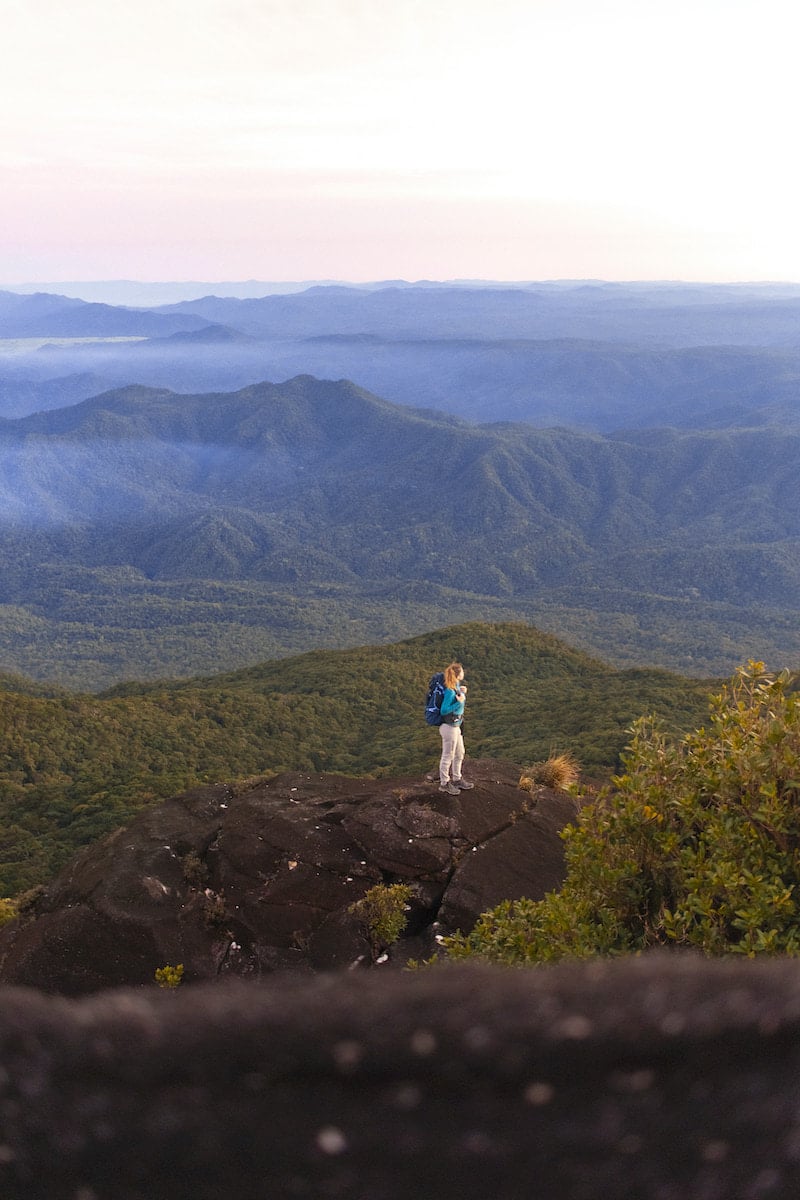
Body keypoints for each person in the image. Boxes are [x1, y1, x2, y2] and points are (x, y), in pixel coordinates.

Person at [438, 662, 475, 795]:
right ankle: (444, 783)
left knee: (460, 753)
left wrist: (462, 692)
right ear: (458, 674)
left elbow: (458, 697)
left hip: (457, 725)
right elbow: (444, 710)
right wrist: (457, 702)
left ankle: (457, 778)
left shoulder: (456, 686)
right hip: (449, 727)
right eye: (462, 671)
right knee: (448, 755)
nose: (464, 673)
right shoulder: (449, 690)